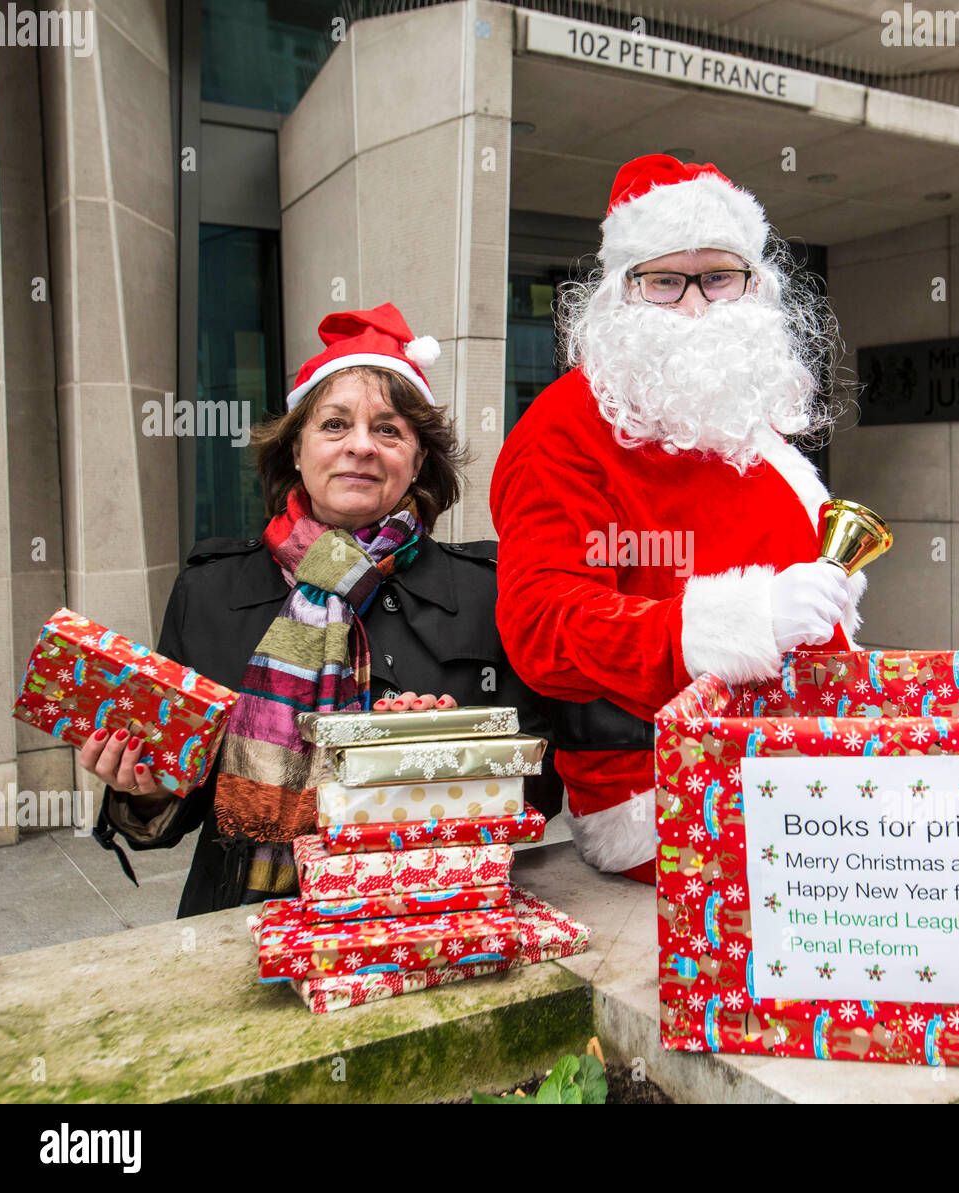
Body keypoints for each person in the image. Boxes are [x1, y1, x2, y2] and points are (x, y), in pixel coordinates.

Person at [88, 302, 561, 916]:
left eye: (389, 430)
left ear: (417, 461)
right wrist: (142, 792)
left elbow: (543, 782)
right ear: (295, 450)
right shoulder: (208, 592)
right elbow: (178, 807)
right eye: (334, 425)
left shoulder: (486, 591)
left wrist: (442, 757)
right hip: (244, 919)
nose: (360, 447)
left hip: (431, 913)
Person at [489, 154, 867, 884]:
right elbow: (541, 623)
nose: (696, 305)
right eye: (665, 280)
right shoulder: (563, 427)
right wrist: (737, 622)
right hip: (663, 794)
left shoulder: (746, 416)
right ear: (621, 292)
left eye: (719, 277)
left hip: (805, 769)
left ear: (756, 286)